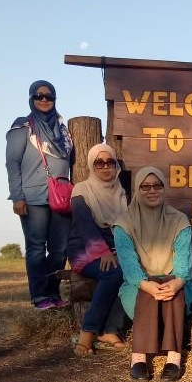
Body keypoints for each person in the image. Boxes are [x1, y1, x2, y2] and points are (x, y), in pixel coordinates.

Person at [113, 167, 192, 382]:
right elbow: (130, 267)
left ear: (164, 188)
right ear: (138, 190)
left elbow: (182, 265)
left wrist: (177, 282)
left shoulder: (179, 221)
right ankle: (138, 357)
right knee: (145, 293)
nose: (152, 191)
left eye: (157, 186)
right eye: (145, 186)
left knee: (174, 293)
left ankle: (173, 358)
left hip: (174, 281)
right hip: (138, 284)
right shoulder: (123, 223)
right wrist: (147, 285)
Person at [5, 80, 73, 310]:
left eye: (49, 96)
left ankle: (53, 293)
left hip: (62, 199)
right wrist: (17, 197)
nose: (44, 100)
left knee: (59, 249)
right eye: (39, 96)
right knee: (36, 248)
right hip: (33, 199)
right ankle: (39, 296)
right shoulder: (23, 127)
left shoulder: (63, 130)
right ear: (31, 99)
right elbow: (12, 163)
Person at [67, 143, 128, 356]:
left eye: (110, 162)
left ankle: (109, 330)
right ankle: (88, 332)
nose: (105, 167)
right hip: (85, 249)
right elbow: (84, 226)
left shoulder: (121, 192)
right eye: (99, 162)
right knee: (114, 272)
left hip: (116, 248)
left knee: (131, 270)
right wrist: (103, 251)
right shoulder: (82, 189)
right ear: (92, 166)